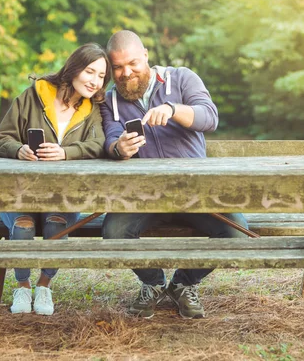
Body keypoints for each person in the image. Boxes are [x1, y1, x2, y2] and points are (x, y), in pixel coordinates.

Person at [100, 30, 249, 319]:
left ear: (145, 55)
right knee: (113, 232)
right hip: (145, 196)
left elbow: (209, 116)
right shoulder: (110, 101)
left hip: (196, 192)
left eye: (132, 63)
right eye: (117, 67)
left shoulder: (180, 78)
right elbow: (110, 138)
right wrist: (119, 147)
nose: (125, 72)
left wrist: (173, 109)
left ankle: (183, 283)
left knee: (235, 232)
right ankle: (154, 283)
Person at [0, 43, 111, 315]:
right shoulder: (32, 97)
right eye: (90, 72)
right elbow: (0, 140)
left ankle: (44, 286)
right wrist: (18, 150)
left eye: (101, 76)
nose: (95, 81)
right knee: (22, 225)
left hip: (63, 195)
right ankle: (22, 286)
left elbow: (100, 144)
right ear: (73, 69)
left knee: (55, 223)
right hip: (20, 192)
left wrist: (66, 153)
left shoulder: (92, 109)